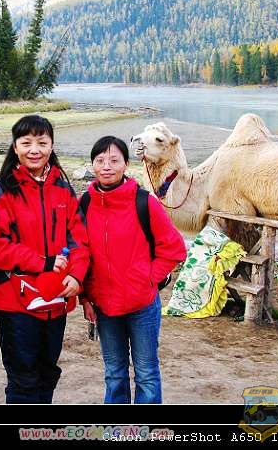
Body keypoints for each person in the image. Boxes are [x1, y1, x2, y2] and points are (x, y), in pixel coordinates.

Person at [0, 114, 90, 403]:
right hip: (15, 302)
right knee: (23, 378)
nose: (34, 150)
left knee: (47, 372)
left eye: (42, 142)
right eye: (26, 143)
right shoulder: (3, 190)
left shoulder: (62, 188)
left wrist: (77, 275)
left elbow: (79, 240)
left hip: (55, 299)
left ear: (51, 145)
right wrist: (42, 261)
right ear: (15, 147)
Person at [80, 136, 186, 403]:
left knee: (146, 372)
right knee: (114, 372)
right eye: (100, 160)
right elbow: (80, 255)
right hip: (105, 305)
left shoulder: (144, 202)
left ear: (126, 164)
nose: (107, 166)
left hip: (142, 304)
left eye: (114, 160)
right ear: (93, 165)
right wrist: (85, 297)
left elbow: (174, 249)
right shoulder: (85, 204)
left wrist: (148, 279)